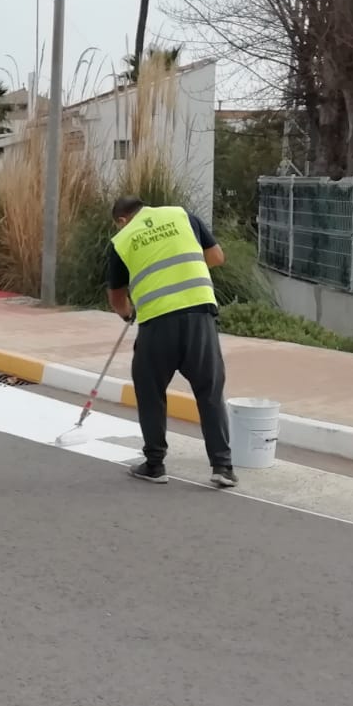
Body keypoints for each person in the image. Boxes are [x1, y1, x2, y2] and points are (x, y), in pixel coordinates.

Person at [105, 195, 237, 488]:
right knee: (209, 391)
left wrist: (128, 314)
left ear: (122, 220)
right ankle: (222, 467)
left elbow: (116, 298)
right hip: (199, 317)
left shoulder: (123, 239)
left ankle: (154, 464)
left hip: (157, 324)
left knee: (150, 391)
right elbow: (216, 257)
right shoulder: (181, 216)